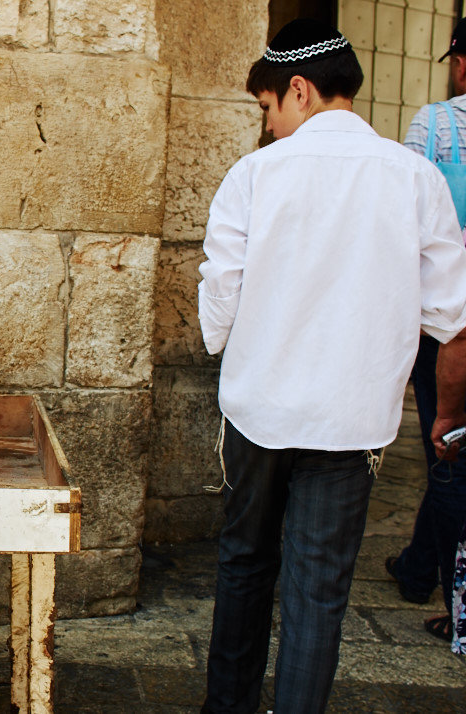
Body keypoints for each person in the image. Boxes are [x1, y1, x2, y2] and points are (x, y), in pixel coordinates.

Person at [197, 18, 466, 714]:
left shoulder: (256, 173)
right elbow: (454, 320)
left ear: (298, 89)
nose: (270, 124)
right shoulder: (416, 178)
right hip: (351, 422)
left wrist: (226, 344)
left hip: (259, 411)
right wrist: (452, 412)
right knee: (318, 590)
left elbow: (220, 290)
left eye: (267, 109)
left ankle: (225, 707)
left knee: (245, 563)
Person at [386, 16, 466, 643]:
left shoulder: (435, 124)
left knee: (448, 449)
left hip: (449, 323)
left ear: (460, 63)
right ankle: (417, 568)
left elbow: (407, 226)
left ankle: (454, 599)